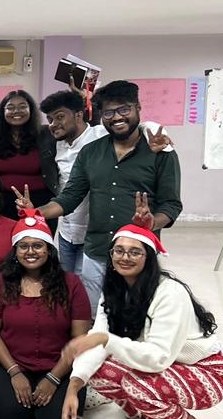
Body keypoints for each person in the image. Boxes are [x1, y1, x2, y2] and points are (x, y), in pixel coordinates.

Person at [16, 80, 183, 314]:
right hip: (96, 252)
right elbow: (70, 197)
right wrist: (35, 212)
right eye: (109, 112)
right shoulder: (91, 152)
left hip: (138, 251)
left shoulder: (160, 152)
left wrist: (152, 222)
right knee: (92, 314)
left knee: (135, 315)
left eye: (124, 109)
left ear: (138, 108)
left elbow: (171, 204)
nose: (117, 117)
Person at [60, 225, 223, 419]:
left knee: (136, 384)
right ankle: (150, 418)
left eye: (134, 252)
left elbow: (157, 358)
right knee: (98, 372)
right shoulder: (114, 289)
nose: (125, 257)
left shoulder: (169, 293)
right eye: (118, 251)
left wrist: (106, 339)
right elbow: (97, 342)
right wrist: (74, 387)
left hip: (205, 371)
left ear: (149, 258)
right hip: (162, 367)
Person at [39, 89, 173, 275]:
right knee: (72, 287)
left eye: (60, 117)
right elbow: (70, 195)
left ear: (78, 115)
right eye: (50, 119)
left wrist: (155, 131)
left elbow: (133, 125)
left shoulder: (100, 135)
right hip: (69, 233)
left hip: (104, 234)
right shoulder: (58, 143)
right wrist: (34, 213)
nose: (54, 123)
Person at [0, 212, 92, 419]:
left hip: (60, 365)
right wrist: (14, 372)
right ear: (15, 251)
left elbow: (80, 340)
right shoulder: (2, 282)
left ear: (49, 250)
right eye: (23, 246)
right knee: (10, 416)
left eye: (37, 246)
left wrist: (53, 378)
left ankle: (60, 398)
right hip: (13, 362)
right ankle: (29, 399)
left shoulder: (71, 284)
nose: (30, 252)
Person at [0, 90, 58, 220]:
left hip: (41, 201)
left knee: (38, 234)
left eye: (22, 107)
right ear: (2, 112)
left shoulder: (46, 134)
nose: (16, 111)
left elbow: (75, 132)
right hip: (2, 202)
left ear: (31, 110)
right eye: (10, 108)